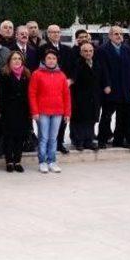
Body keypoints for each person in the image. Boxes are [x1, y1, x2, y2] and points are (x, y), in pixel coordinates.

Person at [29, 50, 71, 174]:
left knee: (53, 138)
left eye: (54, 58)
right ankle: (42, 161)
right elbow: (32, 94)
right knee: (44, 138)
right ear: (44, 60)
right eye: (49, 58)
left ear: (57, 60)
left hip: (58, 111)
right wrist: (34, 111)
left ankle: (52, 161)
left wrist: (67, 113)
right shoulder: (37, 74)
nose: (51, 60)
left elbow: (66, 95)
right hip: (42, 112)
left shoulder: (61, 75)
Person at [97, 26, 130, 149]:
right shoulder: (102, 50)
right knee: (106, 116)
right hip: (110, 89)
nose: (119, 36)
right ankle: (102, 140)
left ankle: (119, 140)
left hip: (125, 89)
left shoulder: (128, 50)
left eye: (121, 34)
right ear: (110, 36)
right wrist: (106, 85)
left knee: (123, 116)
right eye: (116, 34)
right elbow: (102, 70)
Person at [39, 24, 73, 154]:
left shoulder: (67, 49)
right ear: (48, 34)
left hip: (64, 86)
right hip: (48, 88)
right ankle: (46, 147)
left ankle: (59, 142)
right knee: (47, 124)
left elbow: (73, 67)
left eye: (58, 32)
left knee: (62, 119)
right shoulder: (42, 49)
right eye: (53, 32)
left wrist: (70, 79)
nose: (56, 34)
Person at [0, 51, 31, 173]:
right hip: (8, 110)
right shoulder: (3, 73)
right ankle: (9, 161)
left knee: (20, 137)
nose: (17, 61)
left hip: (23, 110)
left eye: (19, 59)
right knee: (9, 137)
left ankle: (18, 161)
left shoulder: (27, 74)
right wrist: (0, 110)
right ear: (9, 61)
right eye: (14, 59)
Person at [70, 42, 103, 151]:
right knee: (80, 120)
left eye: (90, 51)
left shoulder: (97, 64)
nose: (88, 53)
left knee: (91, 120)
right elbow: (73, 80)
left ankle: (89, 141)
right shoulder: (77, 64)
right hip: (80, 97)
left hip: (94, 97)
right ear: (81, 52)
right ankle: (79, 142)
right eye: (85, 51)